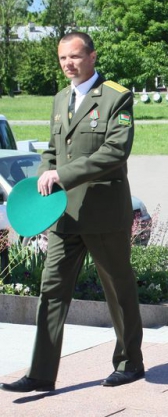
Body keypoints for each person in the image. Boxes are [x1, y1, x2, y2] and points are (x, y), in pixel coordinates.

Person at [1, 32, 145, 393]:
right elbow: (52, 150)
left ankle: (129, 362)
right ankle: (40, 373)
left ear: (92, 57)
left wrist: (61, 175)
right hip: (64, 215)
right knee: (51, 290)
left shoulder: (115, 96)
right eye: (63, 57)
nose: (69, 63)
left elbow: (115, 151)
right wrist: (44, 177)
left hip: (103, 213)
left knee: (118, 289)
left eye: (76, 56)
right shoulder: (60, 98)